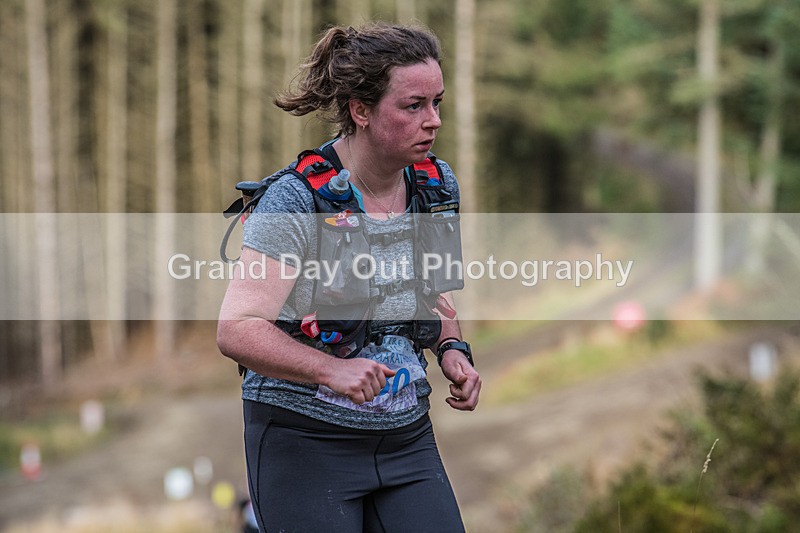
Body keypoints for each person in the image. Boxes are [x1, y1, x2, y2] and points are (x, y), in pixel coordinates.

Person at [217, 21, 481, 532]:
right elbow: (236, 327)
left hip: (407, 439)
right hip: (304, 444)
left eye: (437, 102)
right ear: (360, 110)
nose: (434, 121)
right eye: (413, 106)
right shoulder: (295, 200)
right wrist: (329, 370)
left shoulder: (435, 185)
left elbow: (437, 293)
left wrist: (453, 351)